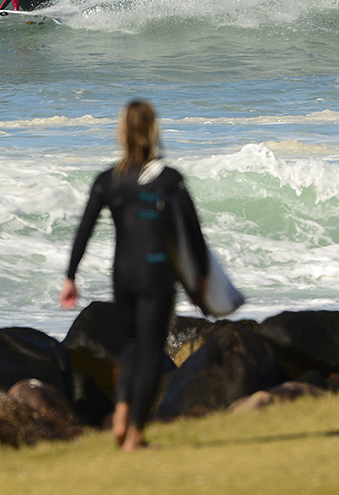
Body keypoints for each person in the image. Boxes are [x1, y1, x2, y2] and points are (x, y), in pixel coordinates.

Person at [59, 99, 208, 451]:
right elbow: (193, 232)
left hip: (123, 274)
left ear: (122, 131)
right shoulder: (169, 179)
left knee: (128, 346)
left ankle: (122, 411)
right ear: (154, 131)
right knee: (152, 351)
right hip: (157, 273)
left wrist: (71, 276)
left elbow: (84, 229)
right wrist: (199, 278)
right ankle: (135, 436)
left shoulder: (108, 180)